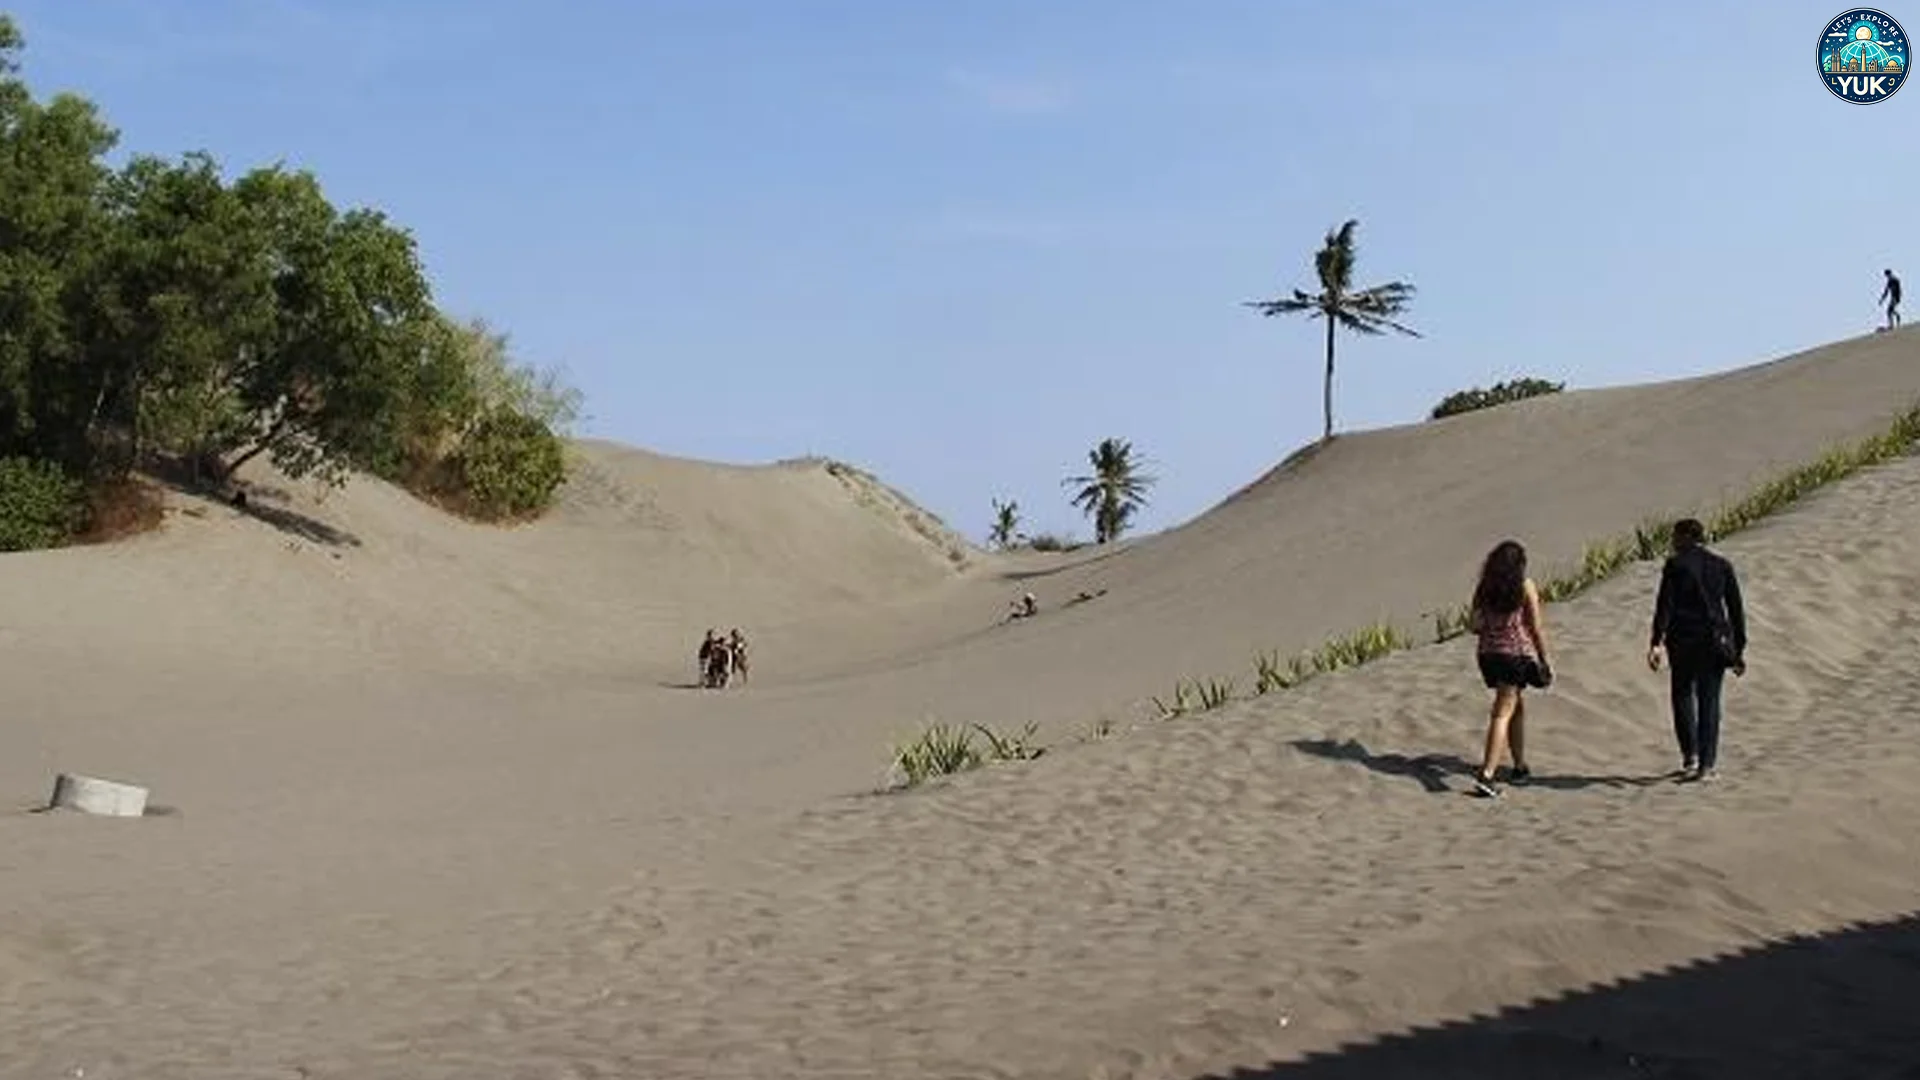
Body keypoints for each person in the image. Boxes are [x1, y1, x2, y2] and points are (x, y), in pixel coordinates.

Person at [1647, 518, 1746, 782]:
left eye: (1675, 537)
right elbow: (1736, 612)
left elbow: (1664, 606)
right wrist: (1738, 650)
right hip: (1715, 641)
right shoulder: (1722, 566)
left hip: (1683, 641)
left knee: (1682, 695)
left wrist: (1656, 641)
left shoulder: (1676, 566)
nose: (1672, 543)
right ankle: (1707, 765)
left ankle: (1691, 756)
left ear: (1687, 537)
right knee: (1709, 701)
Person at [1466, 539, 1553, 798]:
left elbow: (1473, 624)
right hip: (1513, 655)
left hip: (1488, 655)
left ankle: (1519, 766)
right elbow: (1535, 627)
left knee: (1516, 705)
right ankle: (1487, 774)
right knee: (1502, 712)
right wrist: (1544, 658)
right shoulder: (1525, 586)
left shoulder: (1484, 588)